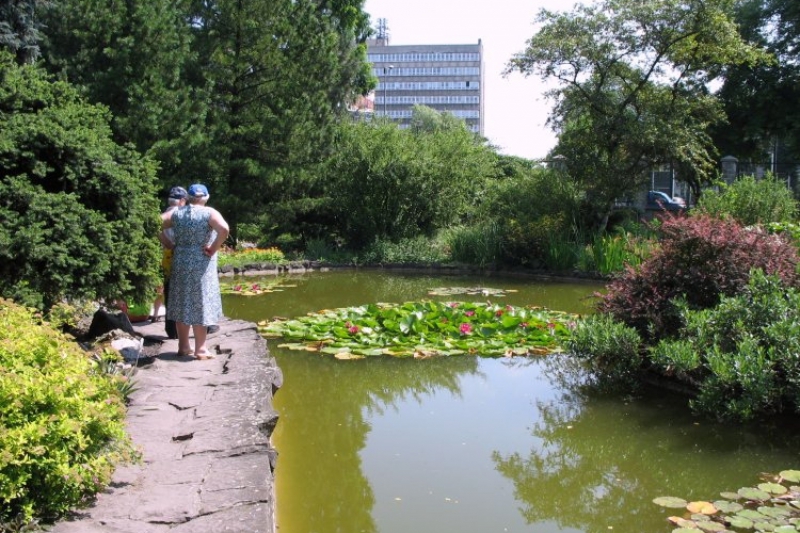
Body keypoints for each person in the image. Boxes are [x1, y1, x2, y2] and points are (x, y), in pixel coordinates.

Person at [161, 183, 229, 359]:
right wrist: (214, 248)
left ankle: (183, 346)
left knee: (182, 301)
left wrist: (168, 243)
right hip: (202, 263)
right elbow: (224, 229)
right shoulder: (209, 213)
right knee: (201, 302)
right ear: (205, 197)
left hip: (181, 261)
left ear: (189, 197)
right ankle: (200, 349)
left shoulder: (176, 212)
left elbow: (154, 224)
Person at [153, 186, 188, 338]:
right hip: (179, 254)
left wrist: (166, 243)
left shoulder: (164, 214)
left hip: (166, 256)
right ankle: (200, 328)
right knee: (187, 291)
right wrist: (172, 244)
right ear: (181, 201)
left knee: (169, 290)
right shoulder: (179, 214)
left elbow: (155, 229)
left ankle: (171, 329)